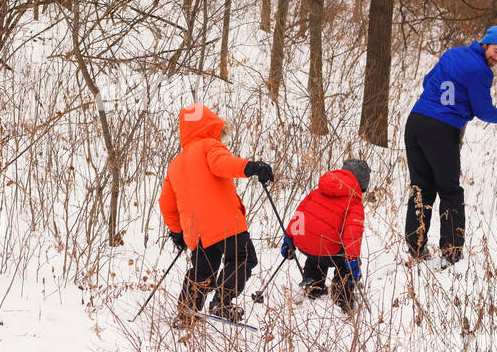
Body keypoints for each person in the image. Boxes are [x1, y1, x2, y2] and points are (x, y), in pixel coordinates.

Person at [404, 25, 497, 268]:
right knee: (450, 191)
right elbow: (484, 111)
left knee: (421, 187)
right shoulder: (481, 71)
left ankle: (415, 246)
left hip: (416, 122)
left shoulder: (452, 54)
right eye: (496, 51)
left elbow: (427, 82)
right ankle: (452, 253)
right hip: (441, 131)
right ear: (486, 44)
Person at [158, 104, 274, 326]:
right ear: (212, 125)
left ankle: (186, 312)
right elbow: (221, 164)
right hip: (225, 223)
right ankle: (222, 301)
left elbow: (166, 203)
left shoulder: (176, 163)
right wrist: (250, 167)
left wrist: (177, 232)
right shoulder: (210, 145)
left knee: (203, 270)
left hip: (197, 231)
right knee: (242, 258)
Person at [281, 159, 371, 313]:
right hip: (329, 250)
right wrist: (353, 262)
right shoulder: (354, 203)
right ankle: (342, 298)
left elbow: (299, 213)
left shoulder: (318, 191)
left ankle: (313, 287)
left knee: (316, 251)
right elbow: (352, 237)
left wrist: (289, 239)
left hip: (305, 245)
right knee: (342, 261)